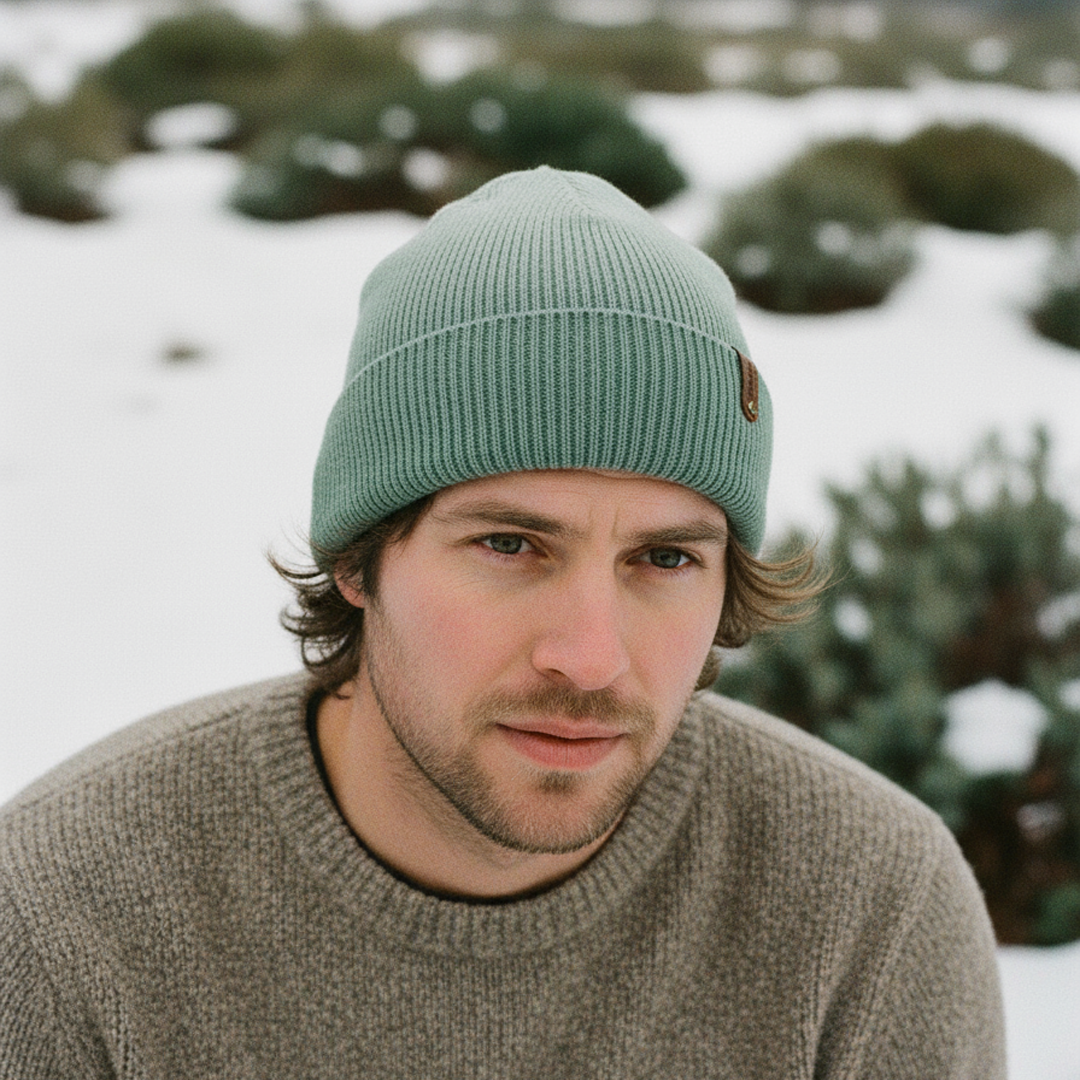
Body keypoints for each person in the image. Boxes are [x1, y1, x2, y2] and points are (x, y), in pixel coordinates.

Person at [0, 166, 1004, 1077]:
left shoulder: (870, 907)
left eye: (664, 559)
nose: (590, 657)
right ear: (359, 556)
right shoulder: (67, 910)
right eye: (511, 545)